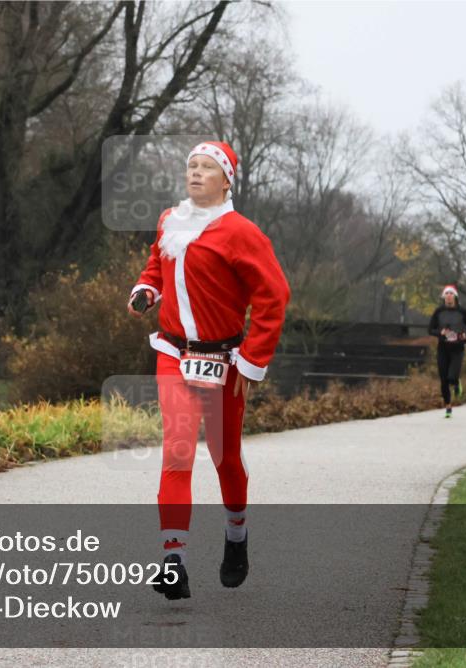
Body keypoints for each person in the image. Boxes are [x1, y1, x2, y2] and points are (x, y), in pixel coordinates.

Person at [127, 140, 290, 600]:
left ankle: (236, 536)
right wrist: (146, 291)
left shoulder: (241, 233)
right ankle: (173, 560)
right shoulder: (169, 221)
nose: (195, 173)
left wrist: (252, 361)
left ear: (226, 180)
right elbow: (157, 268)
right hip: (173, 353)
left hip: (224, 361)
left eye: (206, 167)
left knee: (225, 457)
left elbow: (274, 297)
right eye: (190, 166)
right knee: (177, 452)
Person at [427, 285, 466, 418]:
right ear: (444, 297)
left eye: (451, 293)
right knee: (443, 379)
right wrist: (440, 332)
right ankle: (448, 407)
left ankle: (456, 382)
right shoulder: (439, 312)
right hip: (443, 348)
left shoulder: (462, 312)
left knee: (451, 377)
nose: (448, 295)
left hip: (457, 348)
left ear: (455, 296)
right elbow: (430, 329)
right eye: (446, 293)